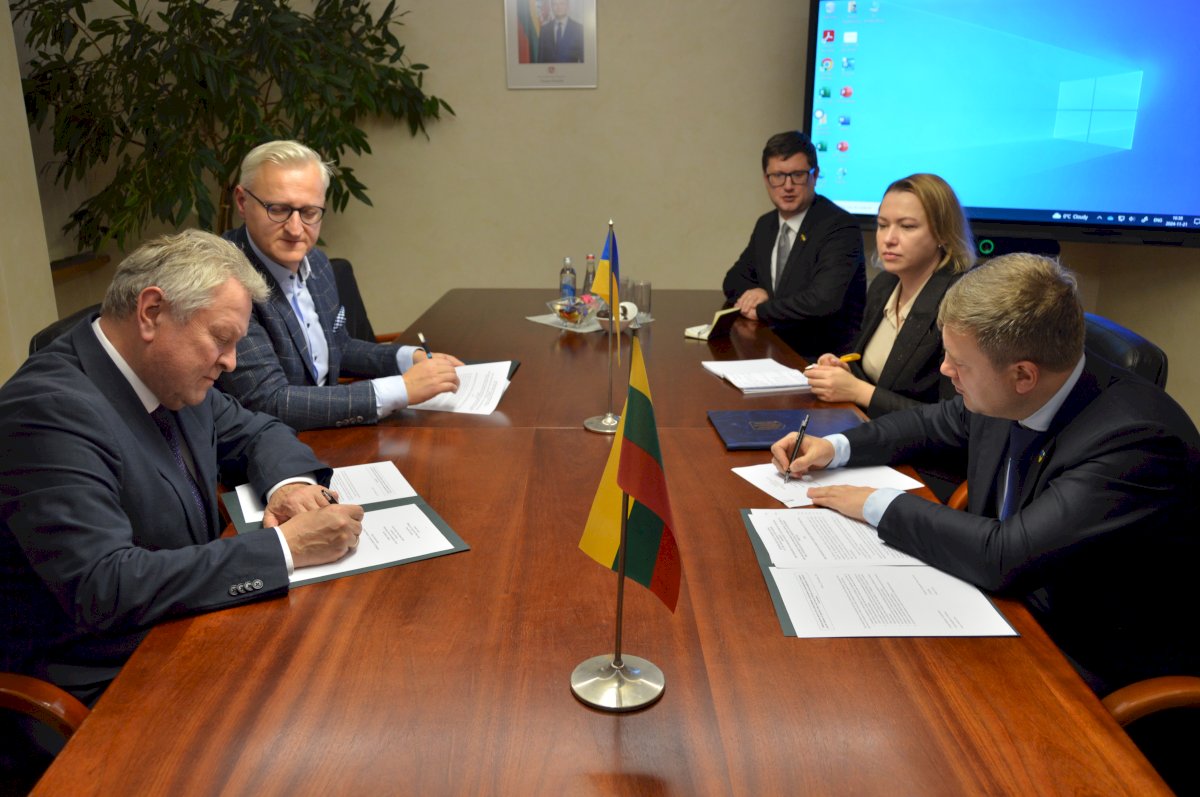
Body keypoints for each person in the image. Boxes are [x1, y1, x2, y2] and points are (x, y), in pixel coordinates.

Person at [771, 252, 1200, 695]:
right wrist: (835, 447)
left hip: (1083, 654)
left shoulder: (1137, 442)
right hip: (1004, 606)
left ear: (1023, 375)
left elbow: (1005, 555)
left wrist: (876, 504)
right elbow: (933, 422)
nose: (945, 370)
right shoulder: (1016, 387)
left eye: (959, 363)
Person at [0, 230, 365, 706]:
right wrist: (285, 549)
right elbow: (104, 586)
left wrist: (289, 486)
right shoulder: (46, 411)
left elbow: (259, 432)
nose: (231, 362)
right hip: (108, 680)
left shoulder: (165, 373)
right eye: (221, 339)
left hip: (188, 624)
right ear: (152, 312)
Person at [219, 140, 462, 432]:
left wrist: (407, 358)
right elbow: (270, 401)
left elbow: (337, 347)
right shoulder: (224, 280)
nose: (295, 229)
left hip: (329, 433)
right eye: (279, 209)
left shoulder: (317, 262)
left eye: (309, 212)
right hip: (270, 444)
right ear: (242, 202)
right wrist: (402, 389)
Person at [804, 173, 975, 417]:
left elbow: (955, 418)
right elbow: (877, 373)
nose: (888, 239)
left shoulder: (961, 303)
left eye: (907, 226)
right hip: (867, 427)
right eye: (883, 225)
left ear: (943, 234)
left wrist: (858, 391)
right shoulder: (884, 285)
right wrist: (844, 370)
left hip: (914, 442)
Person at [722, 130, 866, 359]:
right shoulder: (766, 225)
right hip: (770, 349)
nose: (787, 186)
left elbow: (822, 301)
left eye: (797, 175)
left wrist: (762, 309)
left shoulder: (840, 227)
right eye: (778, 176)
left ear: (815, 175)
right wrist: (756, 292)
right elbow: (733, 280)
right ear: (766, 179)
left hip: (821, 359)